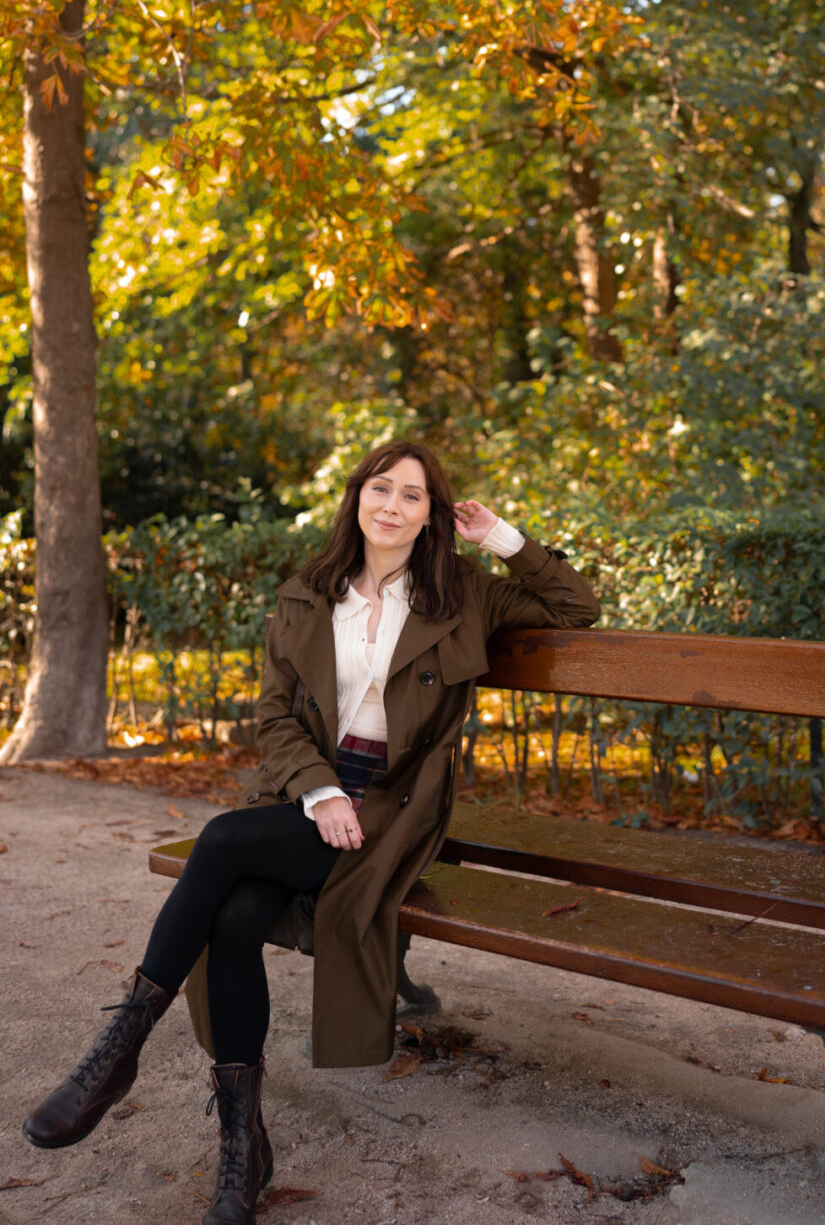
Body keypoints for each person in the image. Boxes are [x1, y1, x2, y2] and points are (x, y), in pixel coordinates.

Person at [21, 439, 600, 1224]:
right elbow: (273, 717)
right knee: (232, 916)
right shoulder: (309, 595)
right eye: (381, 488)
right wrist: (320, 791)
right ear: (357, 496)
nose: (392, 505)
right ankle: (243, 1147)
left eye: (413, 496)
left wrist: (500, 537)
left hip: (391, 813)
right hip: (306, 801)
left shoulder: (465, 591)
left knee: (223, 841)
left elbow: (578, 607)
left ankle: (121, 1046)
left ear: (433, 515)